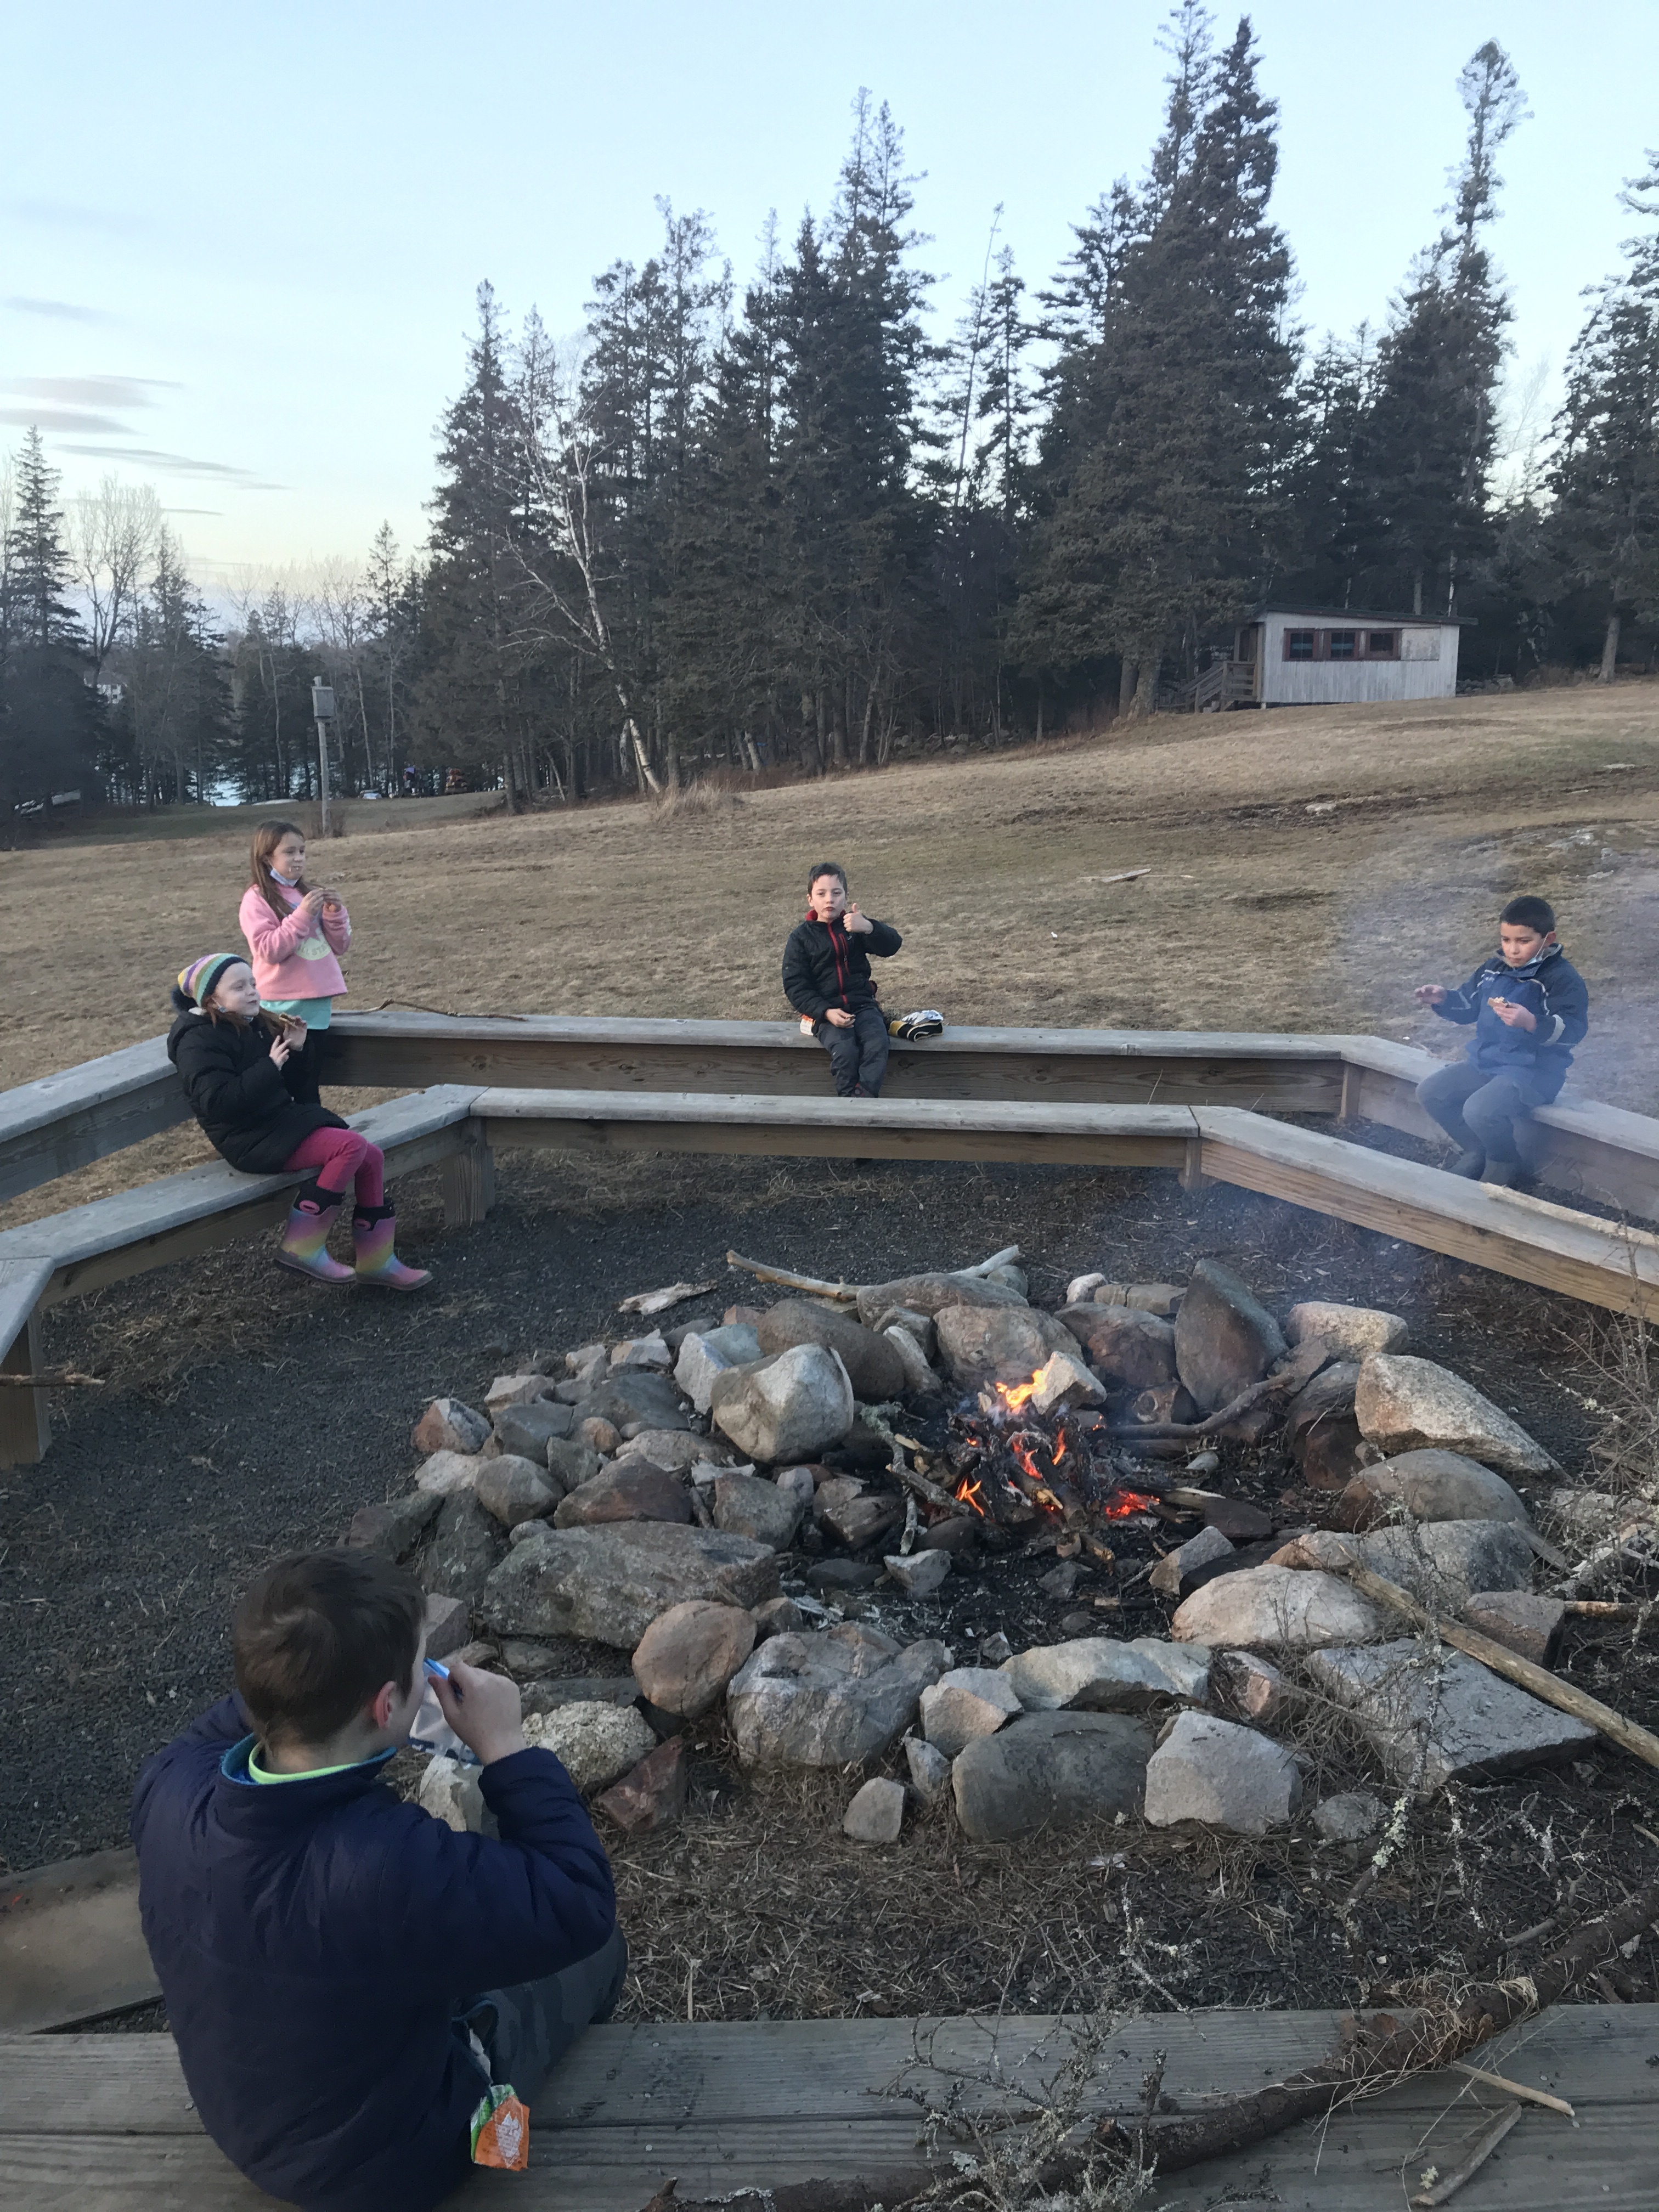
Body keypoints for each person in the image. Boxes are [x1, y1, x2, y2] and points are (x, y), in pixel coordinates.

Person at [131, 1549, 624, 2212]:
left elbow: (242, 1717)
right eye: (422, 1669)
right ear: (387, 1704)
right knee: (600, 1951)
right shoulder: (387, 1865)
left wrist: (317, 1691)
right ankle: (499, 2127)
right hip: (389, 2169)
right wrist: (506, 1748)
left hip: (247, 2127)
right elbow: (580, 1900)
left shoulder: (168, 1788)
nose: (429, 1679)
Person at [167, 952, 430, 1288]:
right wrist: (269, 1067)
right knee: (350, 1147)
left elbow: (299, 1094)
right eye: (239, 987)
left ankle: (376, 1261)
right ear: (211, 1000)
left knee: (371, 1156)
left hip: (278, 1123)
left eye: (253, 983)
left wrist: (298, 1051)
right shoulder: (197, 1041)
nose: (252, 992)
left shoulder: (254, 1023)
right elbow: (218, 1103)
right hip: (247, 1139)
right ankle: (302, 1247)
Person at [1413, 895, 1589, 1186]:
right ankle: (1476, 1151)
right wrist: (1444, 999)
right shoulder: (1493, 970)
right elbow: (1468, 1005)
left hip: (1535, 1074)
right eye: (1506, 940)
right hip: (1487, 1063)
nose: (1513, 949)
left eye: (1523, 941)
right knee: (1432, 1092)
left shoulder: (1561, 979)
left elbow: (1574, 1030)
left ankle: (1505, 1161)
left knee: (1479, 1110)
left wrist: (1532, 1023)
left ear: (1548, 939)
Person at [239, 820, 352, 1100]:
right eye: (289, 852)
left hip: (318, 1006)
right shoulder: (257, 899)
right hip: (280, 1008)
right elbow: (268, 950)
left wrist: (335, 913)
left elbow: (340, 946)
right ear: (267, 858)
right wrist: (301, 916)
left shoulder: (307, 892)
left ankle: (314, 1124)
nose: (299, 858)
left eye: (302, 851)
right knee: (288, 1085)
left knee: (310, 1081)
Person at [781, 861, 903, 1097]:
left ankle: (863, 1098)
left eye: (837, 893)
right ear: (810, 900)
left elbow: (893, 946)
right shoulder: (800, 938)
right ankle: (848, 1102)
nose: (830, 900)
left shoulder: (855, 927)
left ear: (846, 896)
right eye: (822, 894)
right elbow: (796, 986)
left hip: (863, 1006)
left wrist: (869, 927)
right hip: (826, 1013)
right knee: (846, 1051)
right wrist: (825, 1012)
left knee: (878, 1043)